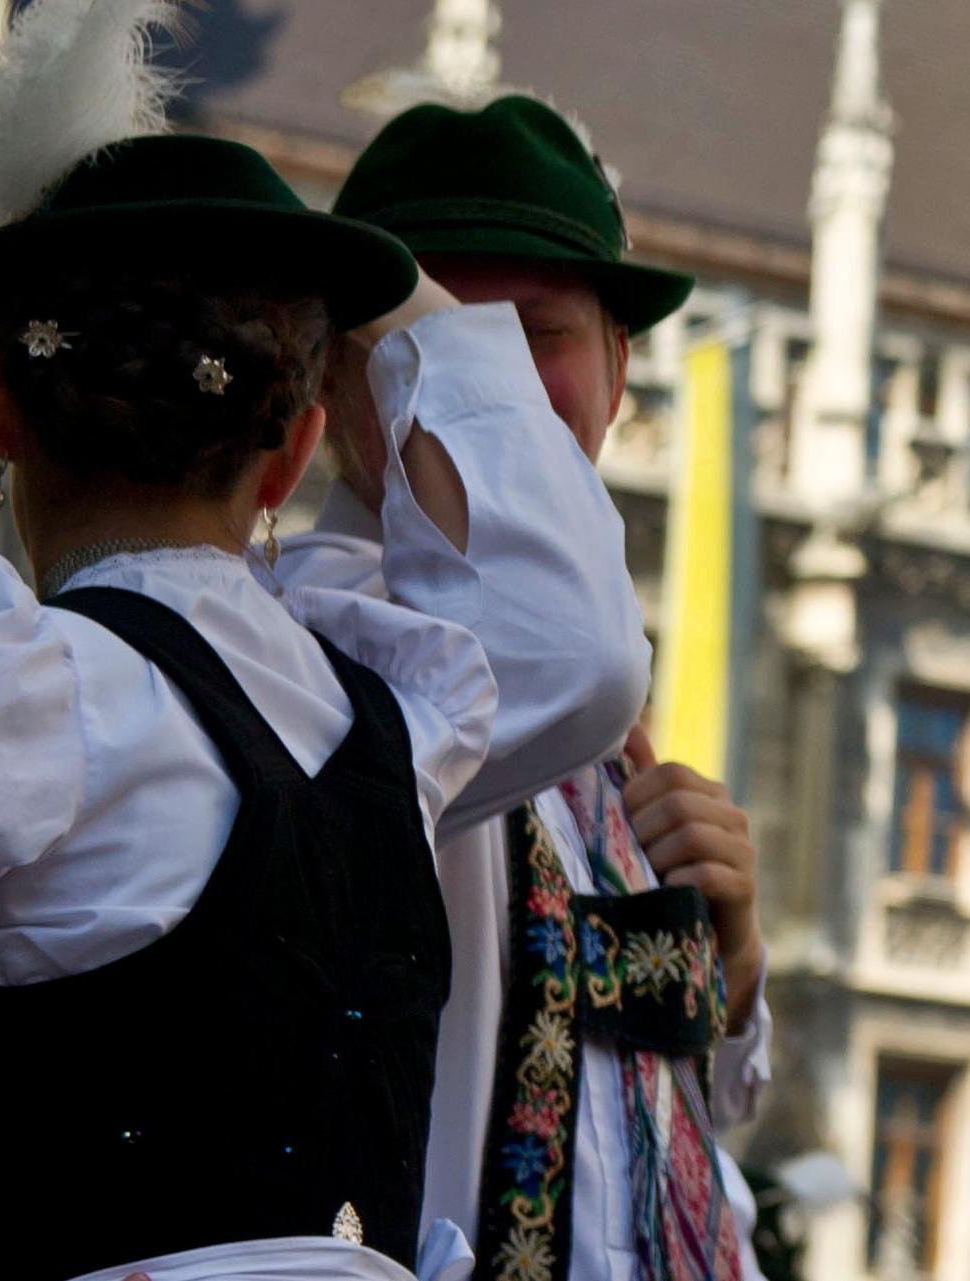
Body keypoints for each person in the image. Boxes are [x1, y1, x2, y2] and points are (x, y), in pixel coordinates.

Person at [0, 0, 651, 1281]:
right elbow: (577, 644)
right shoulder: (389, 723)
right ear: (292, 457)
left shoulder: (4, 696)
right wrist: (376, 290)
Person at [294, 95, 768, 1281]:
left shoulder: (610, 715)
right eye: (444, 340)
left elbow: (635, 1115)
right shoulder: (306, 644)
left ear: (619, 366)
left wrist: (734, 961)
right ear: (333, 378)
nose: (489, 386)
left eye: (534, 336)